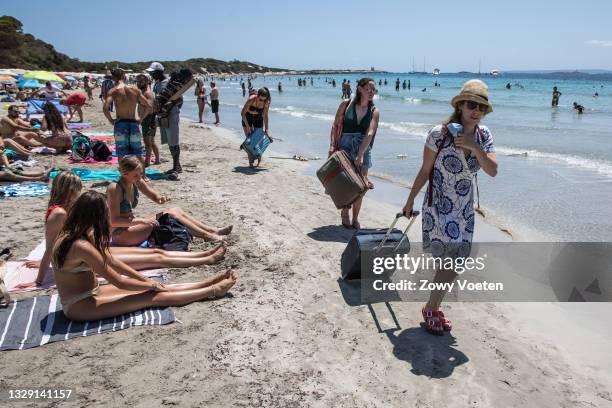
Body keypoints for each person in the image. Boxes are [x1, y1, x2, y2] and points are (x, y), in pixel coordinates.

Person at [15, 172, 227, 289]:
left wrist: (47, 260)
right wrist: (39, 280)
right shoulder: (59, 214)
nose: (79, 194)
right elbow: (53, 245)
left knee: (155, 254)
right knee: (156, 257)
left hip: (96, 250)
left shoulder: (62, 210)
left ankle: (205, 255)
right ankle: (206, 259)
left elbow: (54, 245)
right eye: (77, 190)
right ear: (70, 190)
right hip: (92, 256)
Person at [402, 79, 497, 336]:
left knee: (455, 263)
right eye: (471, 104)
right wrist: (410, 200)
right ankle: (432, 308)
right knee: (449, 262)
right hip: (439, 205)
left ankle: (432, 305)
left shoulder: (483, 136)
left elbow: (493, 171)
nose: (475, 110)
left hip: (464, 210)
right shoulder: (439, 133)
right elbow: (425, 170)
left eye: (480, 106)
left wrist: (473, 146)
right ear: (460, 105)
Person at [50, 190, 236, 321]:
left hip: (91, 293)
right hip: (79, 305)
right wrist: (148, 284)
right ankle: (212, 291)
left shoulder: (76, 233)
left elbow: (112, 261)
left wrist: (145, 280)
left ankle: (206, 283)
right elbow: (119, 281)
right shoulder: (80, 245)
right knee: (152, 297)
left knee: (155, 288)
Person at [107, 156, 233, 246]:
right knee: (170, 215)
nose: (140, 177)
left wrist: (160, 198)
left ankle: (211, 230)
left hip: (132, 226)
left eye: (141, 173)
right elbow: (114, 221)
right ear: (124, 174)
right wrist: (144, 221)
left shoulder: (136, 180)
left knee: (176, 210)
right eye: (136, 175)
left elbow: (154, 197)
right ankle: (207, 236)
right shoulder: (115, 188)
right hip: (120, 234)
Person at [328, 77, 380, 230]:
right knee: (346, 183)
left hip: (363, 145)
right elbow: (335, 125)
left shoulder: (374, 111)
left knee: (361, 185)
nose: (371, 92)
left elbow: (370, 132)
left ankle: (356, 218)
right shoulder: (346, 104)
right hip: (344, 145)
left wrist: (361, 154)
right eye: (368, 89)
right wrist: (332, 145)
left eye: (374, 90)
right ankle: (345, 211)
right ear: (360, 89)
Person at [103, 69, 151, 164]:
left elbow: (105, 108)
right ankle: (143, 176)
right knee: (138, 153)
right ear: (124, 76)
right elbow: (148, 106)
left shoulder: (113, 91)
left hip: (120, 123)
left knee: (121, 153)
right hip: (133, 123)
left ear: (113, 78)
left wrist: (111, 120)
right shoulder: (134, 90)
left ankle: (123, 176)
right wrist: (141, 119)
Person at [148, 62, 183, 176]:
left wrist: (170, 107)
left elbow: (180, 100)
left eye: (152, 72)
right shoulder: (157, 84)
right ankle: (177, 165)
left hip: (171, 116)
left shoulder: (169, 83)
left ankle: (176, 168)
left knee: (173, 141)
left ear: (159, 72)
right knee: (170, 142)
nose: (151, 74)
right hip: (162, 116)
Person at [240, 87, 271, 168]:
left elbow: (265, 115)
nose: (262, 101)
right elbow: (242, 113)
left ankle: (258, 159)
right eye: (260, 99)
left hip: (258, 119)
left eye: (264, 100)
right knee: (250, 141)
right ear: (257, 95)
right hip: (247, 118)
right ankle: (250, 162)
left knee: (258, 141)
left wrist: (267, 129)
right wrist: (248, 126)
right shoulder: (251, 99)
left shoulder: (266, 102)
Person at [135, 74, 160, 168]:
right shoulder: (143, 92)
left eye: (141, 81)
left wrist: (141, 119)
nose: (139, 83)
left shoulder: (147, 93)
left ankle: (147, 162)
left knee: (147, 142)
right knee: (152, 142)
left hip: (149, 119)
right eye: (138, 81)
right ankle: (157, 160)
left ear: (147, 82)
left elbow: (149, 108)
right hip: (148, 119)